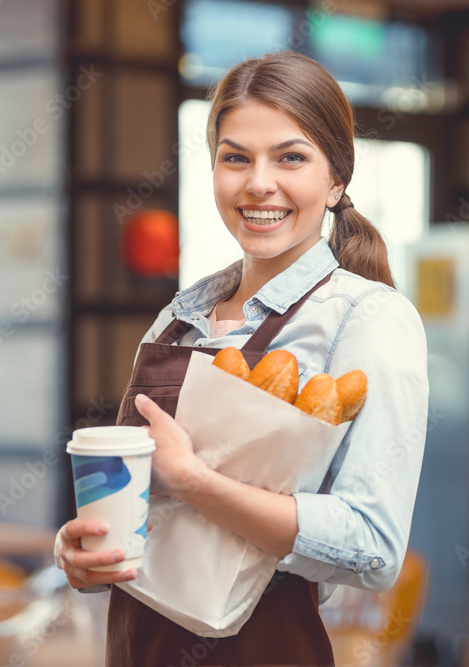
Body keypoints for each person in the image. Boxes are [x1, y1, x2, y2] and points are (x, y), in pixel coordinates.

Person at [54, 51, 429, 666]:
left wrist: (195, 482)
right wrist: (84, 558)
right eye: (235, 158)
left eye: (290, 157)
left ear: (336, 181)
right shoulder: (179, 317)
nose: (259, 182)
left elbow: (374, 547)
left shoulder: (367, 318)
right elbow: (140, 517)